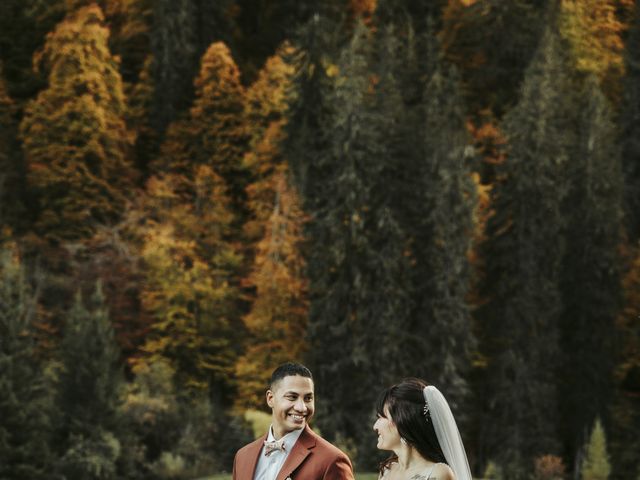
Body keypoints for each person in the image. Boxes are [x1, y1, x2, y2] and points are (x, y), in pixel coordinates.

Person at [233, 362, 355, 480]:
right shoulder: (243, 457)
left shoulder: (331, 460)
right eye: (292, 397)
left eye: (308, 398)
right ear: (270, 399)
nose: (302, 407)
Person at [373, 378, 472, 480]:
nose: (375, 426)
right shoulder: (387, 471)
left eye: (381, 417)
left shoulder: (438, 473)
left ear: (403, 423)